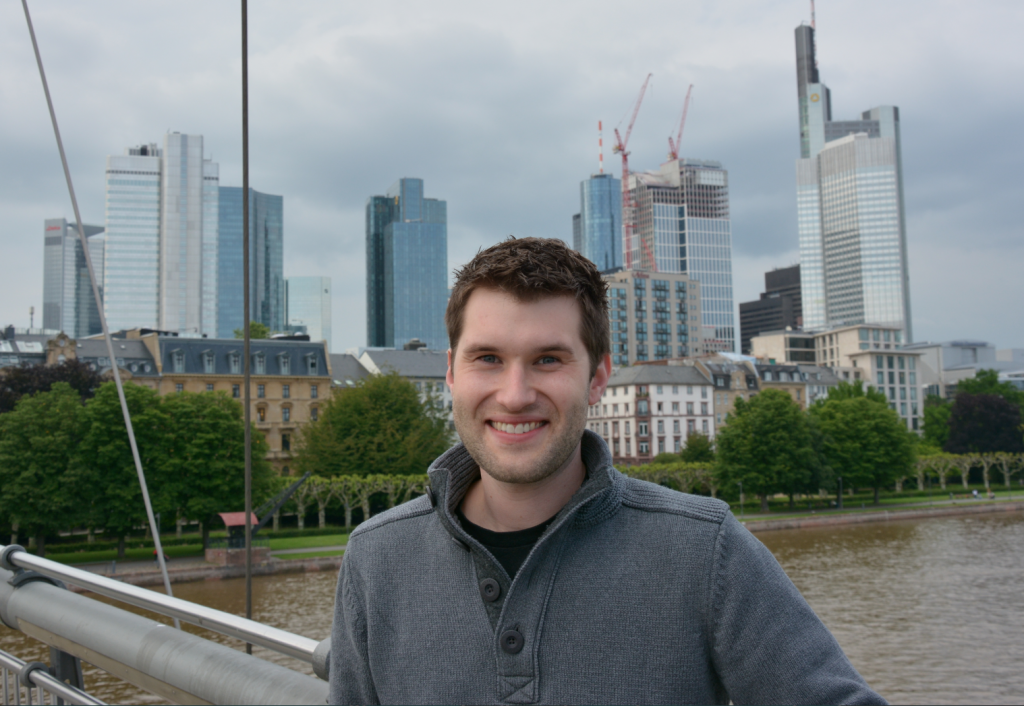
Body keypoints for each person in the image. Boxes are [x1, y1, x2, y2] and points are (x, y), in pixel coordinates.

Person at [329, 237, 885, 705]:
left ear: (598, 378)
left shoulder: (703, 549)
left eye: (549, 359)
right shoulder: (376, 557)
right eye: (488, 358)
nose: (516, 394)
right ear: (451, 373)